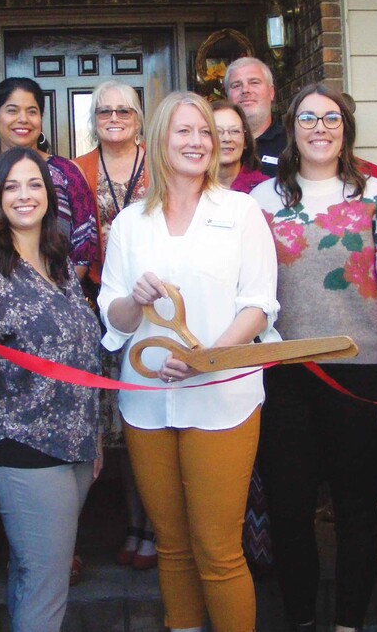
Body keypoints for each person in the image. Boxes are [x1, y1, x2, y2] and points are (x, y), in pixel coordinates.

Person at [99, 91, 279, 632]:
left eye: (205, 131)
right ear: (158, 140)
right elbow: (116, 317)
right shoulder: (130, 223)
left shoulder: (242, 212)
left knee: (219, 550)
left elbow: (259, 304)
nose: (198, 141)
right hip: (148, 403)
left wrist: (208, 358)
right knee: (172, 546)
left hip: (223, 397)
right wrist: (135, 298)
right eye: (183, 131)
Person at [251, 83, 377, 632]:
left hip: (360, 375)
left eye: (331, 118)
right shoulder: (261, 202)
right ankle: (300, 619)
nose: (320, 128)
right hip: (285, 375)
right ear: (291, 127)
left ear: (345, 129)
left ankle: (350, 622)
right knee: (290, 509)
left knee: (354, 508)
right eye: (308, 118)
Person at [0, 147, 101, 632]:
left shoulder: (60, 264)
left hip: (75, 446)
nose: (24, 195)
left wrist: (93, 437)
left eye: (33, 184)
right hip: (23, 447)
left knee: (27, 571)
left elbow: (82, 353)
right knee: (46, 580)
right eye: (11, 186)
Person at [72, 81, 155, 570]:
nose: (115, 116)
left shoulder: (161, 163)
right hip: (96, 305)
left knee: (149, 419)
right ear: (94, 118)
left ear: (139, 117)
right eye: (105, 110)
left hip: (154, 309)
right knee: (115, 427)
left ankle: (153, 528)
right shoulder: (78, 169)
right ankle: (128, 522)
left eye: (125, 109)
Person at [0, 77, 97, 278]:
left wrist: (54, 294)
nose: (23, 119)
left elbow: (84, 246)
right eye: (12, 110)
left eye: (32, 111)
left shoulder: (66, 173)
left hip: (61, 292)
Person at [224, 57, 286, 176]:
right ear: (227, 96)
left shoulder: (291, 143)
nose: (245, 90)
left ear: (271, 92)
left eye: (254, 83)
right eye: (236, 85)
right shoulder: (214, 145)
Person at [212, 100, 269, 193]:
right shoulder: (191, 189)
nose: (227, 138)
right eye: (217, 131)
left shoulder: (265, 189)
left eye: (235, 131)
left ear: (245, 141)